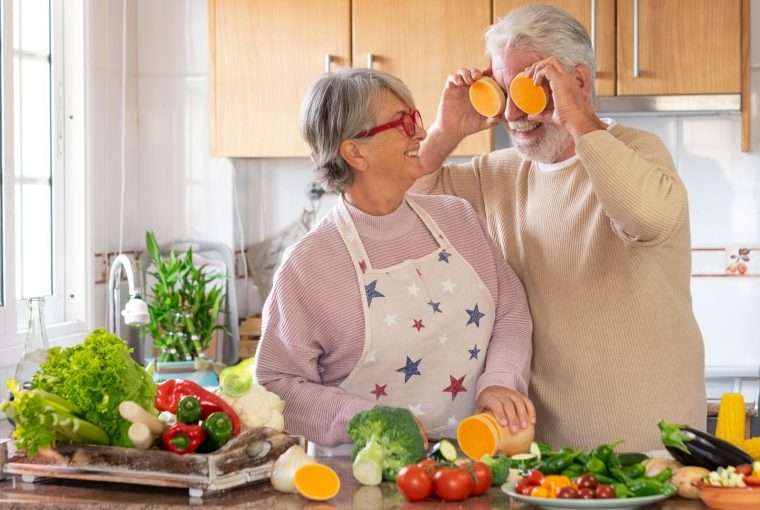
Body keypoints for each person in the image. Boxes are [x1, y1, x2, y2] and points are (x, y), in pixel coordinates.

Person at [415, 4, 705, 451]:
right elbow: (399, 202)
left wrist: (578, 119)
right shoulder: (499, 174)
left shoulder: (638, 152)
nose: (512, 113)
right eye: (501, 91)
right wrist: (443, 132)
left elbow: (645, 218)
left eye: (531, 89)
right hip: (546, 457)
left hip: (655, 450)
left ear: (580, 82)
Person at [254, 68, 533, 453]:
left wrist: (501, 380)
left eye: (415, 119)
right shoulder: (309, 265)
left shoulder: (458, 219)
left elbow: (511, 310)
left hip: (476, 468)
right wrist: (359, 419)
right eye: (403, 123)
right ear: (354, 152)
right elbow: (275, 383)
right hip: (364, 480)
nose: (419, 133)